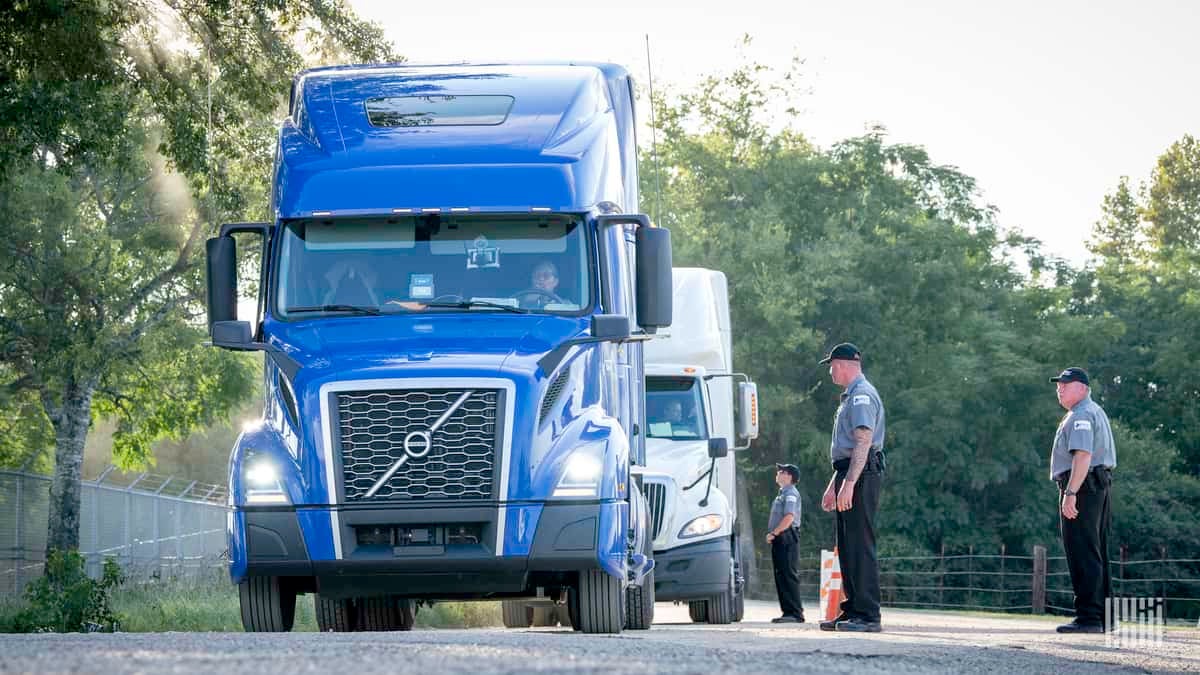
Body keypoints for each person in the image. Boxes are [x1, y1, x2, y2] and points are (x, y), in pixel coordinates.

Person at [818, 342, 885, 633]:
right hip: (849, 471)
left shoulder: (862, 397)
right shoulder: (850, 396)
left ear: (843, 364)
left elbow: (863, 442)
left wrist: (850, 485)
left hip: (862, 473)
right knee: (847, 547)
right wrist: (835, 484)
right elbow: (846, 453)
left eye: (832, 365)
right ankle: (853, 609)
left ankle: (868, 614)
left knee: (860, 545)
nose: (831, 371)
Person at [1048, 367, 1116, 634]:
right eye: (1059, 384)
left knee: (1083, 552)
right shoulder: (1092, 411)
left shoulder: (1081, 415)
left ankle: (1089, 618)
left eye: (1067, 383)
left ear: (1084, 388)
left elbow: (1083, 455)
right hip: (1096, 485)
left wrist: (1071, 492)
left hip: (1083, 486)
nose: (1060, 388)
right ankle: (1104, 618)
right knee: (1096, 551)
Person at [766, 463, 804, 624]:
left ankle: (795, 613)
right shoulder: (783, 493)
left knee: (788, 574)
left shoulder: (790, 494)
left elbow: (789, 517)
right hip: (781, 536)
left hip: (786, 536)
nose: (777, 474)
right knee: (781, 574)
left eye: (781, 471)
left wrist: (775, 532)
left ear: (789, 476)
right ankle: (788, 612)